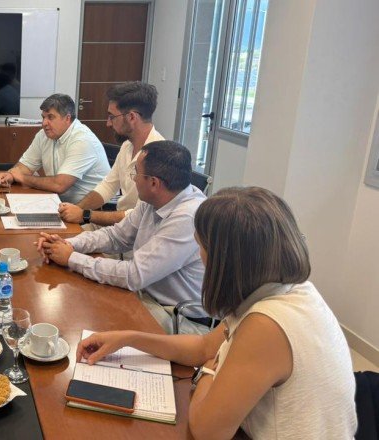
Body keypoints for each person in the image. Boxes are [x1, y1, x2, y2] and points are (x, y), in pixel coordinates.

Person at [76, 187, 357, 439]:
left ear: (226, 261)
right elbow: (203, 347)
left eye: (200, 246)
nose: (199, 257)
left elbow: (206, 430)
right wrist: (128, 339)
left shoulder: (268, 324)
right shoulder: (284, 290)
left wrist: (209, 369)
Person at [37, 141, 207, 334]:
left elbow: (134, 275)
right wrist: (67, 244)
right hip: (148, 296)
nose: (133, 180)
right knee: (83, 302)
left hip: (179, 318)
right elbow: (116, 236)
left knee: (91, 319)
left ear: (154, 183)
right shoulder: (154, 199)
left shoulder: (187, 218)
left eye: (136, 173)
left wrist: (71, 258)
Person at [59, 82, 164, 226]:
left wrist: (84, 215)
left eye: (112, 117)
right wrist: (77, 209)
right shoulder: (127, 145)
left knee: (65, 238)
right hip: (119, 227)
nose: (108, 123)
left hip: (135, 234)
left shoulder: (159, 156)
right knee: (54, 235)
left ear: (132, 117)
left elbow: (138, 217)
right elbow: (108, 187)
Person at [0, 94, 110, 204]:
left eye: (50, 117)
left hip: (91, 209)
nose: (44, 123)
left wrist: (22, 178)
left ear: (67, 118)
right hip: (59, 202)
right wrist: (11, 175)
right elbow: (25, 166)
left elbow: (59, 185)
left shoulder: (82, 140)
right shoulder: (43, 135)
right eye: (43, 117)